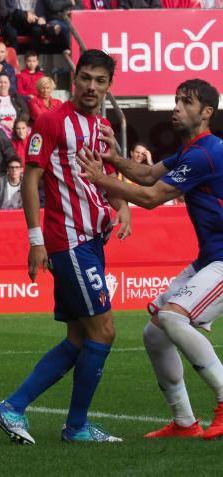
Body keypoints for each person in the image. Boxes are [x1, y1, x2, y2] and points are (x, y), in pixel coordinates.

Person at [0, 49, 132, 445]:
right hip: (68, 241)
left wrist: (122, 207)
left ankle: (16, 407)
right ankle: (75, 426)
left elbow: (102, 176)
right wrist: (35, 241)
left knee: (78, 337)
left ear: (108, 86)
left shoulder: (100, 125)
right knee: (103, 332)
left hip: (92, 239)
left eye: (100, 81)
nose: (91, 86)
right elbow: (30, 182)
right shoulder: (52, 121)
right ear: (75, 78)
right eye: (85, 77)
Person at [75, 79, 223, 440]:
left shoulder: (206, 153)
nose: (176, 106)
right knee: (155, 332)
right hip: (210, 258)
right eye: (175, 100)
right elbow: (146, 173)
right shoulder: (192, 150)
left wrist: (102, 179)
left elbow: (152, 197)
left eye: (185, 102)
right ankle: (185, 423)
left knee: (172, 318)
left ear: (206, 113)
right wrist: (112, 159)